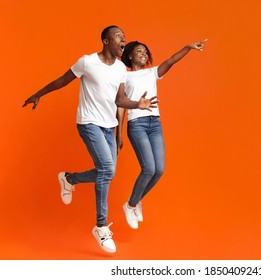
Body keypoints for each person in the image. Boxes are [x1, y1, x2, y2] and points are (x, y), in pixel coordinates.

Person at [22, 25, 157, 253]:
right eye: (118, 36)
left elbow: (120, 100)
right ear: (106, 41)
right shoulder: (87, 62)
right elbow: (62, 81)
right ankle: (101, 226)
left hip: (108, 127)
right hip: (88, 123)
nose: (123, 39)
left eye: (124, 37)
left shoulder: (120, 71)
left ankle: (69, 179)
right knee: (106, 168)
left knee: (109, 172)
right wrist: (38, 94)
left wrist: (134, 108)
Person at [119, 39, 207, 229]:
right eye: (139, 51)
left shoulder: (152, 72)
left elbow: (171, 60)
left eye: (146, 52)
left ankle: (133, 202)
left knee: (159, 170)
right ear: (130, 55)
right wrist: (118, 134)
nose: (144, 54)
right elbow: (120, 107)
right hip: (137, 124)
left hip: (154, 124)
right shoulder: (124, 77)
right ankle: (131, 205)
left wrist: (188, 48)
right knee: (148, 169)